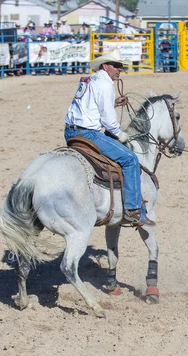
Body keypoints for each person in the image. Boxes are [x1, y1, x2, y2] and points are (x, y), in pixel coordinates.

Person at [64, 49, 154, 226]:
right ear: (106, 66)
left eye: (121, 66)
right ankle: (133, 210)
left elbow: (89, 105)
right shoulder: (106, 85)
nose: (119, 69)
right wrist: (121, 135)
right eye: (116, 66)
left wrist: (113, 103)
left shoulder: (89, 79)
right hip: (88, 133)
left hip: (70, 131)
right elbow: (109, 121)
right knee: (130, 159)